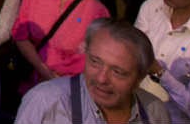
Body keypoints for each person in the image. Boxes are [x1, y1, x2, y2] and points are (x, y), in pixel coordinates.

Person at [14, 18, 171, 124]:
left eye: (117, 72)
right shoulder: (46, 102)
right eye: (95, 62)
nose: (102, 79)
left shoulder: (154, 112)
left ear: (140, 78)